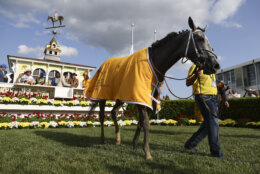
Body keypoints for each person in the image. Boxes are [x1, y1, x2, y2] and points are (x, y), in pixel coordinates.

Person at [184, 64, 224, 158]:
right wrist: (196, 75)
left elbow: (211, 83)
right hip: (203, 97)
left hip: (214, 97)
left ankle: (190, 144)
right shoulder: (194, 66)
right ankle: (215, 153)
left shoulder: (211, 67)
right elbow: (188, 82)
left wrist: (219, 85)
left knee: (208, 124)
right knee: (213, 122)